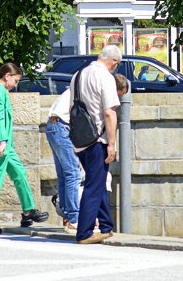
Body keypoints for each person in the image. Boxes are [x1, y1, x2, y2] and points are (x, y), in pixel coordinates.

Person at [47, 71, 130, 235]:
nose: (117, 101)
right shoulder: (98, 91)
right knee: (73, 174)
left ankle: (67, 214)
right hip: (64, 126)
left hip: (53, 125)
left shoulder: (84, 86)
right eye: (118, 96)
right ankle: (74, 219)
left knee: (64, 175)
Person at [0, 62, 49, 235]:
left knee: (19, 172)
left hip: (3, 145)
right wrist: (2, 142)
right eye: (15, 81)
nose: (16, 85)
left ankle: (28, 211)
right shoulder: (0, 92)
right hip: (3, 145)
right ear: (7, 76)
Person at [72, 44, 122, 245]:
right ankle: (84, 232)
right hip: (97, 138)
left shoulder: (78, 74)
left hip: (80, 137)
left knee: (98, 180)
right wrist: (111, 144)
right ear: (114, 62)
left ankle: (106, 225)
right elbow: (109, 113)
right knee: (94, 184)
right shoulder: (105, 77)